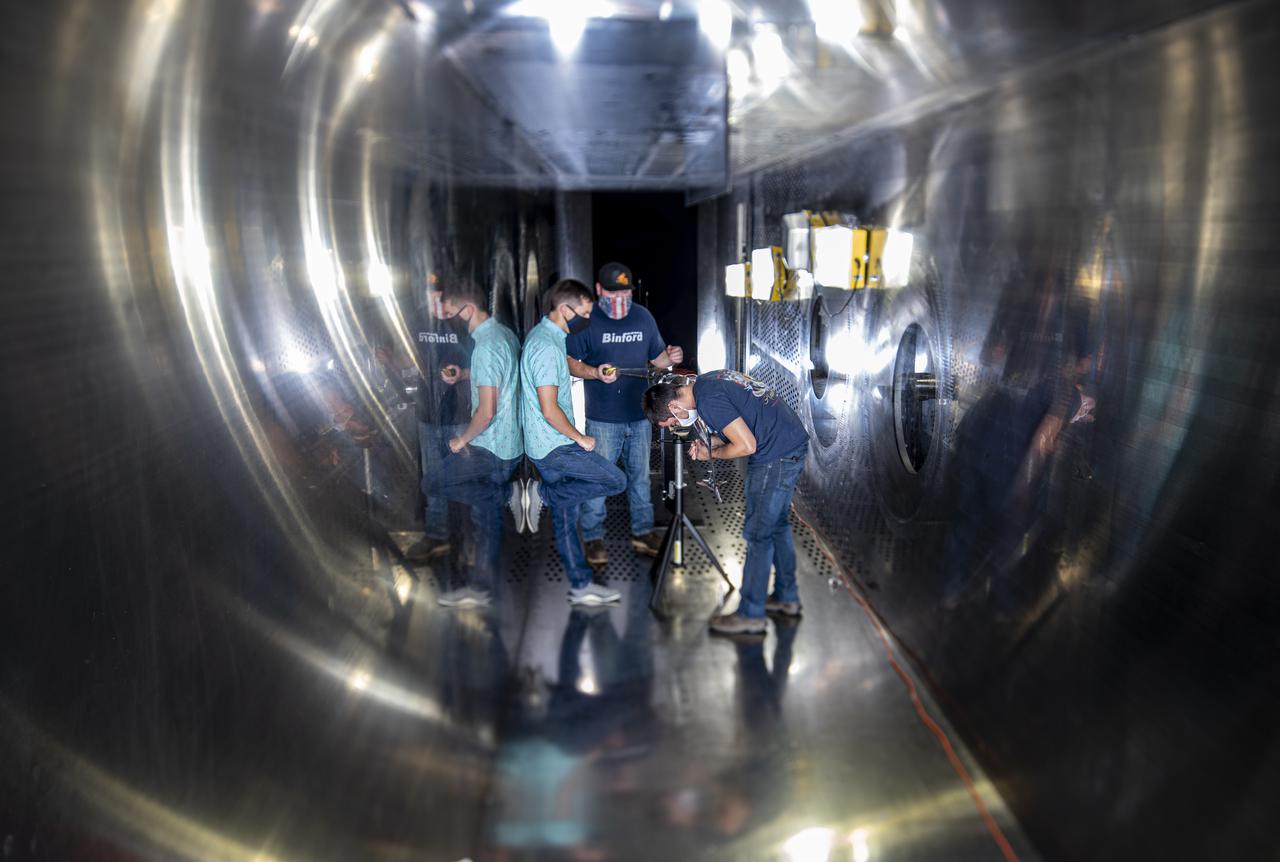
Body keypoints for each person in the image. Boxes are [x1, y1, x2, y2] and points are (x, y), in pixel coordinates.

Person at [643, 370, 809, 635]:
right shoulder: (709, 382)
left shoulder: (708, 401)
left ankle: (751, 615)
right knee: (776, 526)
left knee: (758, 535)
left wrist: (714, 455)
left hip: (775, 457)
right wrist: (711, 444)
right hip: (789, 443)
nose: (676, 424)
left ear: (674, 406)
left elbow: (746, 445)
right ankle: (786, 598)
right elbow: (739, 426)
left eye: (671, 421)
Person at [566, 262, 683, 568]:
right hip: (602, 419)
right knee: (599, 480)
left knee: (640, 478)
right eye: (613, 293)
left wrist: (670, 358)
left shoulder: (643, 317)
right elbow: (567, 360)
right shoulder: (588, 322)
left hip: (639, 416)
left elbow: (657, 360)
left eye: (626, 293)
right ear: (599, 290)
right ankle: (593, 538)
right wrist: (593, 371)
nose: (620, 300)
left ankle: (642, 533)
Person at [520, 278, 627, 606]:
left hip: (545, 444)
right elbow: (550, 410)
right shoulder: (546, 347)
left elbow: (566, 366)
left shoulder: (547, 336)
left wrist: (595, 373)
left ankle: (581, 585)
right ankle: (540, 495)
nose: (587, 318)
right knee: (615, 479)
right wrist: (580, 438)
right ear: (565, 309)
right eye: (584, 311)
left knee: (566, 516)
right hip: (555, 447)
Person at [423, 278, 523, 608]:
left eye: (452, 312)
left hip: (490, 445)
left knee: (435, 483)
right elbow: (501, 381)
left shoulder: (485, 346)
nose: (449, 317)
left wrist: (461, 439)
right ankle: (484, 585)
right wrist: (465, 376)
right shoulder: (503, 334)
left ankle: (482, 588)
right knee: (487, 515)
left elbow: (487, 410)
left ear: (467, 309)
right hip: (508, 442)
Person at [407, 273, 473, 562]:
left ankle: (469, 538)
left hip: (460, 416)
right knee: (433, 480)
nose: (436, 303)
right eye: (431, 297)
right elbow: (407, 359)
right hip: (427, 414)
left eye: (441, 297)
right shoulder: (416, 321)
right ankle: (437, 537)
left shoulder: (463, 322)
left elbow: (486, 365)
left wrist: (462, 374)